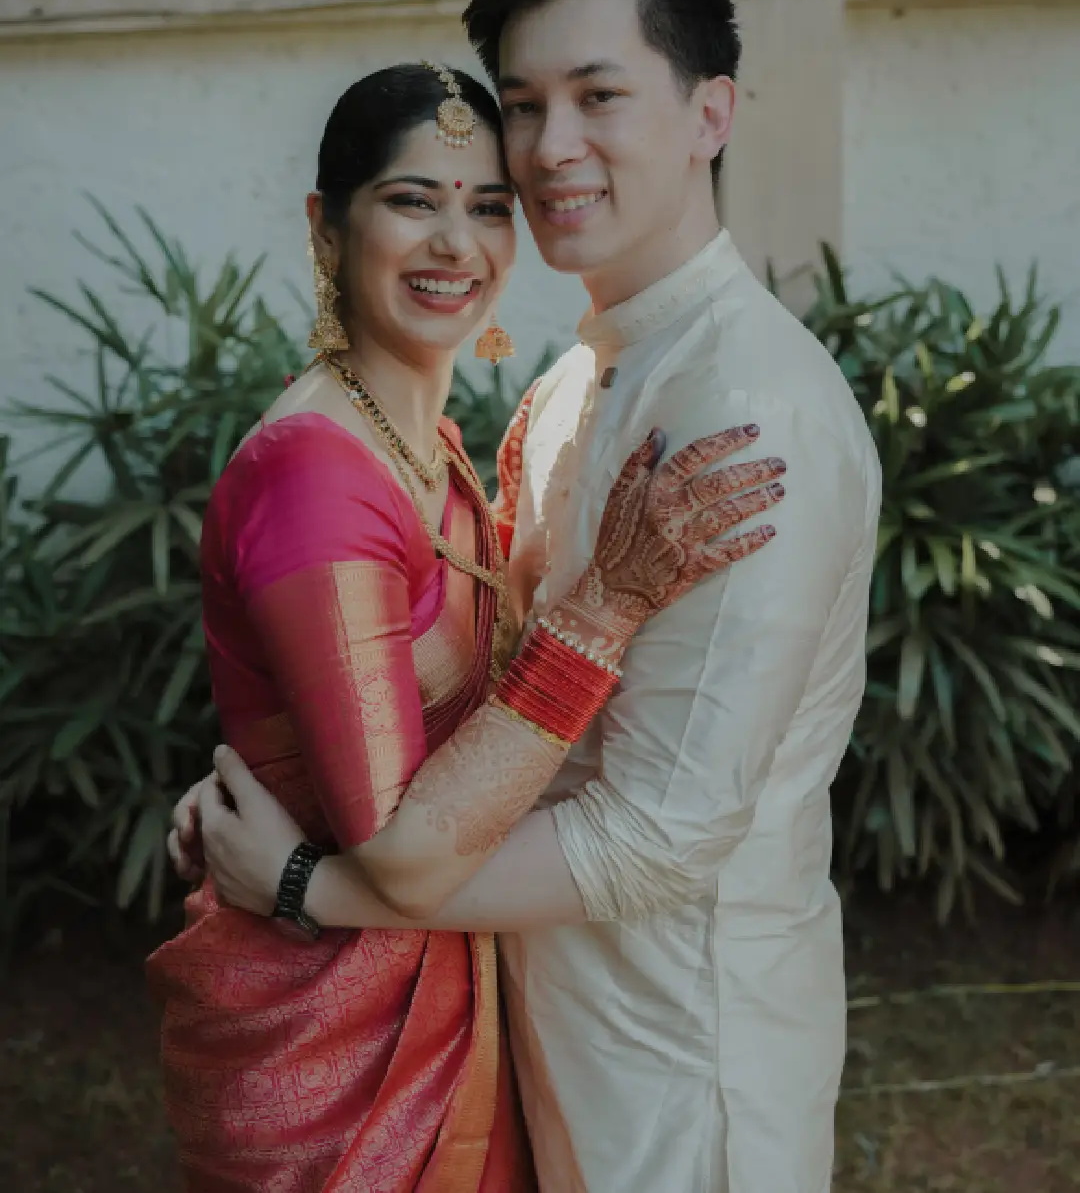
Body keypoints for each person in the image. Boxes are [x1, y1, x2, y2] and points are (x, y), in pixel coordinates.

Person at [149, 58, 785, 1193]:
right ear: (327, 226)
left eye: (490, 207)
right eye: (412, 200)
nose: (457, 243)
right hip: (335, 1048)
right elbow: (399, 850)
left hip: (442, 987)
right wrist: (606, 607)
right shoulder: (316, 475)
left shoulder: (421, 446)